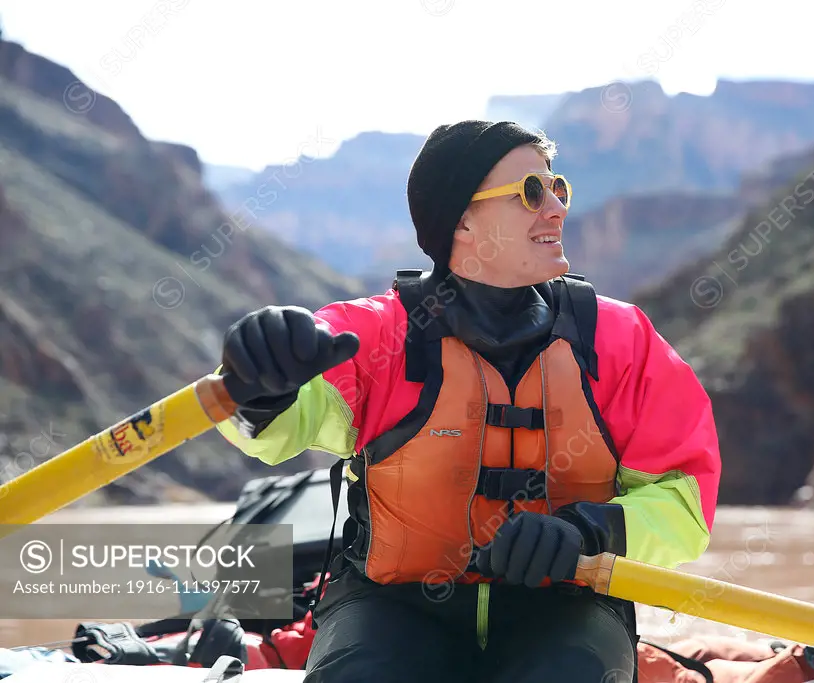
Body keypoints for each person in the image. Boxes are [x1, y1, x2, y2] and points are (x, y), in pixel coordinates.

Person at [214, 120, 722, 683]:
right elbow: (274, 425)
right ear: (461, 219)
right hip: (393, 606)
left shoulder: (622, 341)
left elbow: (686, 503)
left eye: (559, 189)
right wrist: (259, 379)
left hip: (565, 607)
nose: (556, 208)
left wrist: (590, 530)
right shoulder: (377, 335)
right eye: (532, 192)